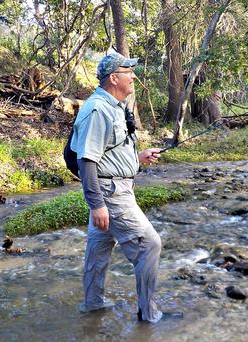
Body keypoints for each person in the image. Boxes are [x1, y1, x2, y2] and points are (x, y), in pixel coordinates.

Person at [71, 51, 163, 323]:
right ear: (114, 78)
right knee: (149, 245)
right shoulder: (98, 109)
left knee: (98, 253)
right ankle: (150, 315)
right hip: (110, 194)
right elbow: (87, 160)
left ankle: (93, 307)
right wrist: (97, 204)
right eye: (128, 72)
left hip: (112, 190)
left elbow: (107, 152)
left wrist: (138, 157)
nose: (133, 76)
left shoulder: (112, 106)